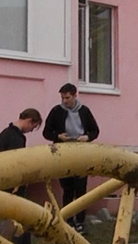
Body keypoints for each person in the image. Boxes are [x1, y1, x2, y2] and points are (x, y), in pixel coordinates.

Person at [43, 83, 100, 233]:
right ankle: (68, 220)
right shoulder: (56, 111)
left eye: (67, 98)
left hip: (81, 152)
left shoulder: (84, 111)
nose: (64, 101)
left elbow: (95, 130)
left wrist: (87, 137)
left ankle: (80, 221)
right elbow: (46, 132)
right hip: (64, 152)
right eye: (62, 98)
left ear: (75, 96)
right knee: (67, 189)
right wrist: (58, 136)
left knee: (80, 189)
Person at [0, 108, 43, 244]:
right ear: (29, 121)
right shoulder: (16, 138)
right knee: (16, 223)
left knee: (16, 222)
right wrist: (17, 185)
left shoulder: (6, 134)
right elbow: (16, 163)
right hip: (12, 187)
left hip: (3, 184)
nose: (31, 131)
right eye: (33, 127)